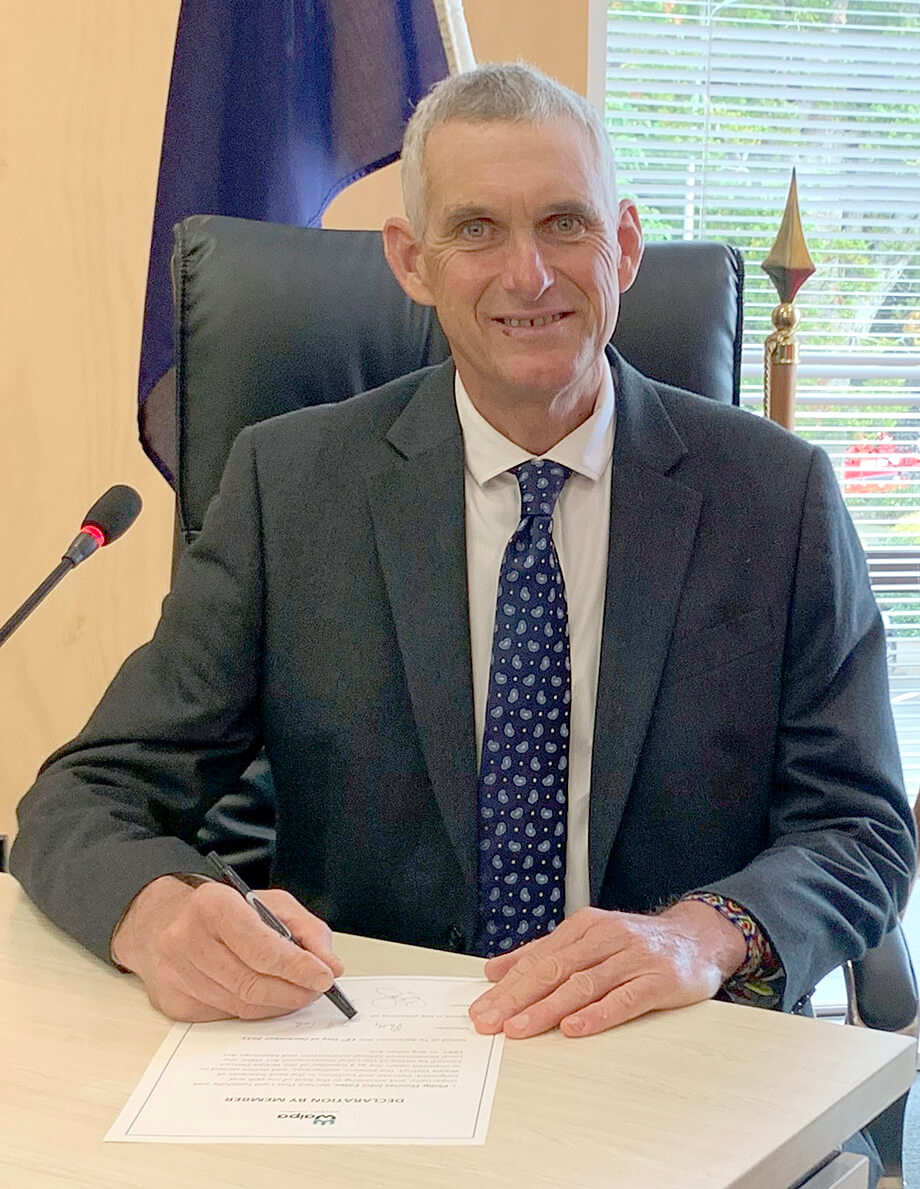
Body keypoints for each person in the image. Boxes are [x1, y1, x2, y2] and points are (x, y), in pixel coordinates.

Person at [10, 65, 915, 1046]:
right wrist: (156, 912)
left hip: (665, 1044)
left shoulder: (774, 498)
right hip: (368, 1044)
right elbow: (83, 798)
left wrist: (702, 936)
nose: (527, 274)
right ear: (412, 262)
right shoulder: (290, 488)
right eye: (476, 229)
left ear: (622, 246)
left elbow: (860, 830)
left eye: (564, 223)